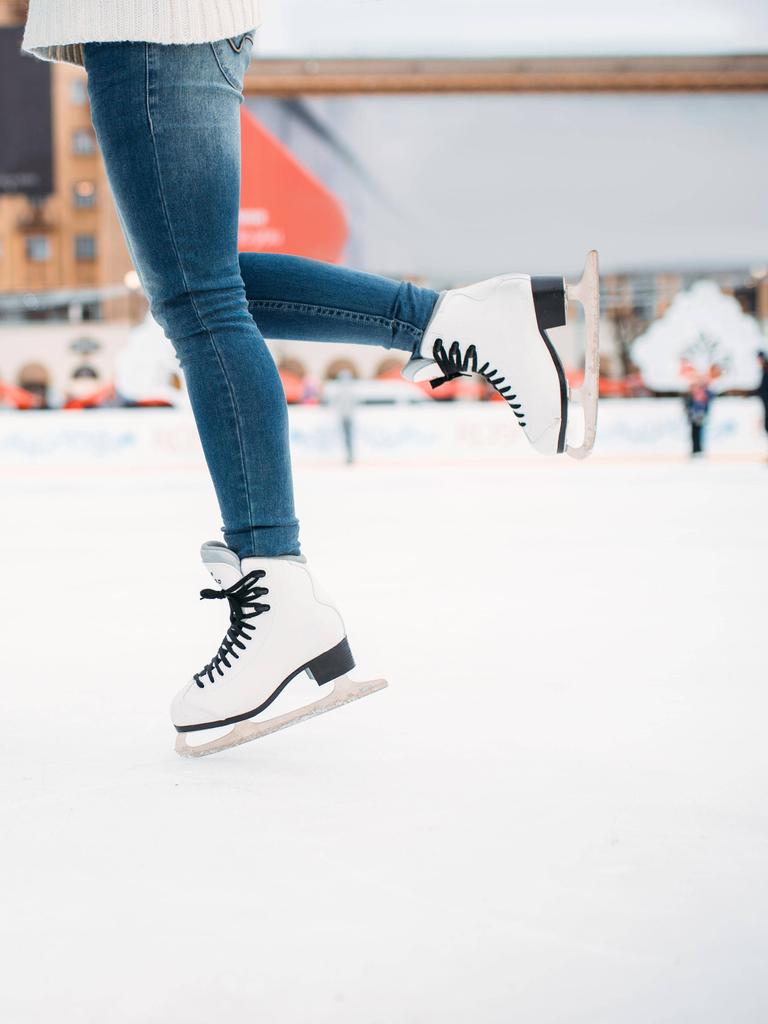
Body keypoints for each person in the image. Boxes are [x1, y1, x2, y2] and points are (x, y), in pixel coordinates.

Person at [20, 2, 599, 756]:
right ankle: (465, 324)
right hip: (164, 29)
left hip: (147, 23)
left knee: (199, 299)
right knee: (198, 286)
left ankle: (275, 585)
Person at [683, 379, 713, 457]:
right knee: (694, 434)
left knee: (698, 433)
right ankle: (695, 450)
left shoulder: (701, 395)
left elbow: (703, 406)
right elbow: (688, 407)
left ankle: (698, 450)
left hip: (699, 416)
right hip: (693, 416)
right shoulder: (691, 395)